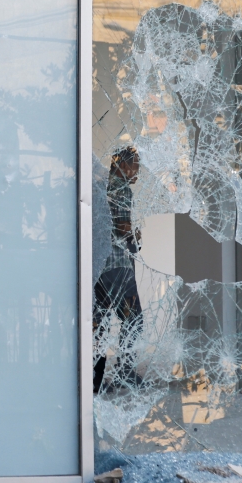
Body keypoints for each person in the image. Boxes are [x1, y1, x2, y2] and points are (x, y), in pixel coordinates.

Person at [93, 145, 143, 393]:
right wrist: (136, 234)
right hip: (118, 265)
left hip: (100, 265)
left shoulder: (100, 184)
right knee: (135, 319)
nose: (138, 172)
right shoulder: (121, 188)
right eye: (136, 166)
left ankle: (95, 378)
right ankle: (125, 372)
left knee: (100, 321)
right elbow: (122, 229)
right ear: (123, 165)